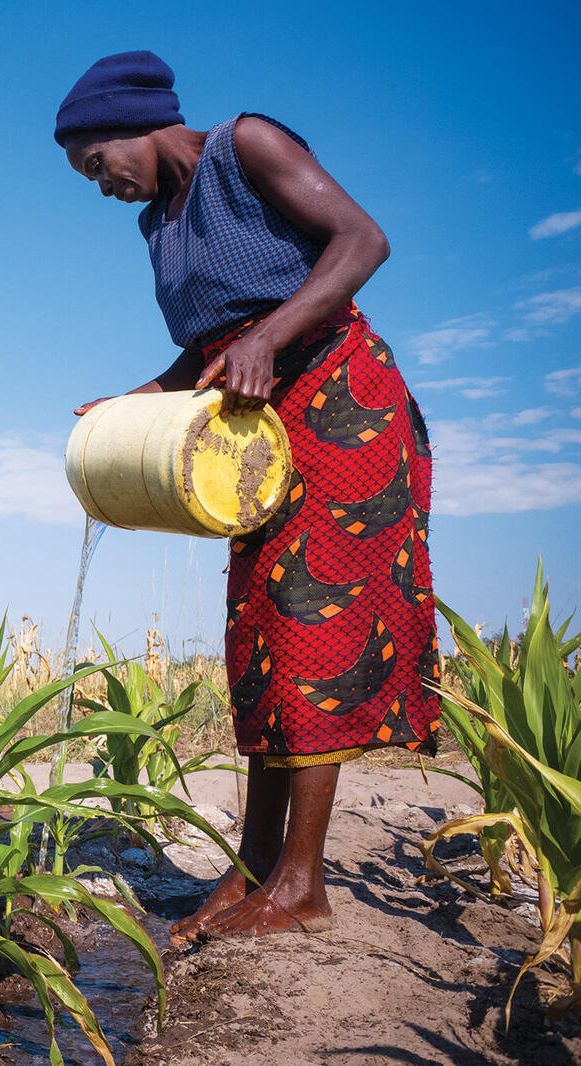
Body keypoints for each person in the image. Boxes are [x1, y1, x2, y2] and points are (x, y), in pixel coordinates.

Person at [55, 51, 441, 941]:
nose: (99, 185)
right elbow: (212, 348)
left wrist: (268, 335)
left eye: (95, 163)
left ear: (133, 124)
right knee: (262, 631)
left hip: (344, 404)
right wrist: (145, 398)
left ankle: (301, 886)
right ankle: (254, 869)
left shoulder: (247, 145)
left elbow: (362, 241)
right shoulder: (158, 220)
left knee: (316, 622)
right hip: (254, 429)